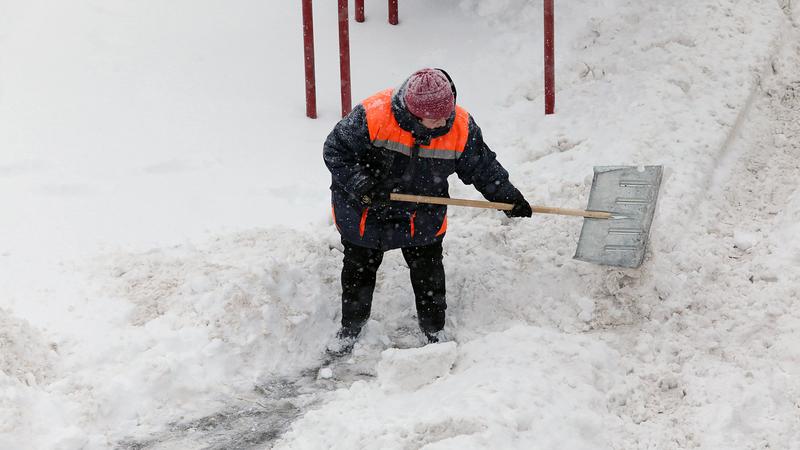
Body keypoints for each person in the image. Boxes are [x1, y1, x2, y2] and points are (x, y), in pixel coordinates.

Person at [323, 68, 532, 354]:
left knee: (428, 272)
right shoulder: (373, 115)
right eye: (434, 118)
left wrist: (507, 197)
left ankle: (434, 330)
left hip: (421, 210)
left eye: (446, 114)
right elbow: (335, 150)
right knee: (359, 273)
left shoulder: (460, 126)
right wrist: (363, 184)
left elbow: (483, 167)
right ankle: (351, 329)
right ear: (413, 113)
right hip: (366, 208)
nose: (442, 122)